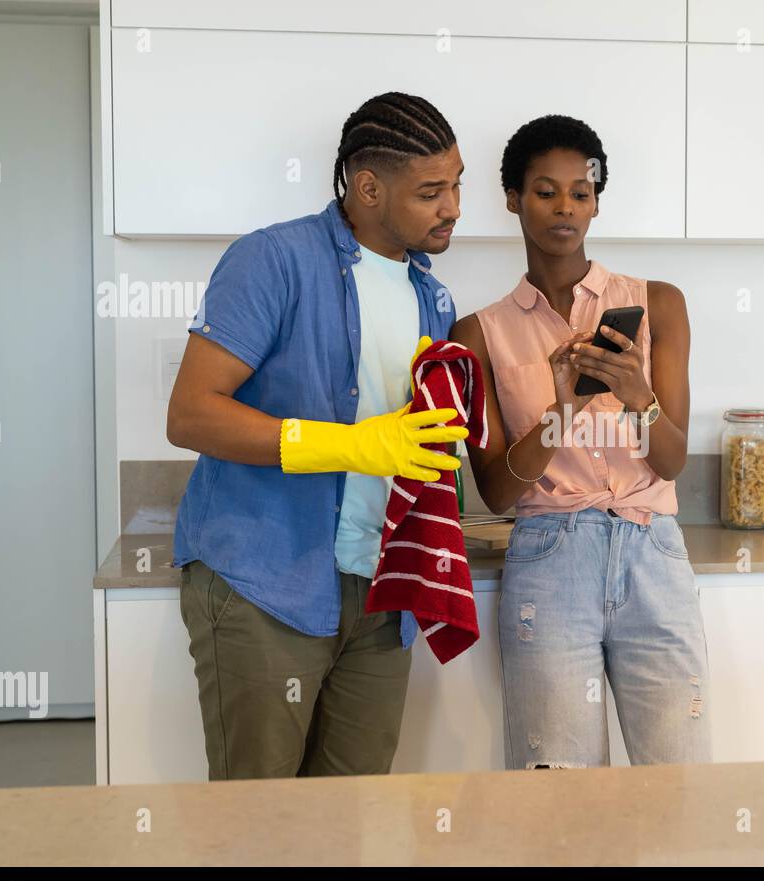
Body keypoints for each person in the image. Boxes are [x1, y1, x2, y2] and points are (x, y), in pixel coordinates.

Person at [166, 92, 468, 780]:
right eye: (431, 191)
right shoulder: (271, 261)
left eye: (456, 185)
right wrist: (350, 444)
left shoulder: (433, 295)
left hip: (383, 592)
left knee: (351, 822)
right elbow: (190, 414)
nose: (453, 206)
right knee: (260, 824)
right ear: (367, 187)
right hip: (265, 581)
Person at [451, 115, 710, 769]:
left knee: (678, 776)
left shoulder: (660, 303)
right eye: (545, 191)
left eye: (580, 192)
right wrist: (560, 410)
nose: (565, 208)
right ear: (512, 198)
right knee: (557, 793)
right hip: (549, 560)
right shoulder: (478, 333)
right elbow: (496, 489)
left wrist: (637, 396)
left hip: (653, 552)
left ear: (596, 200)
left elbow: (672, 459)